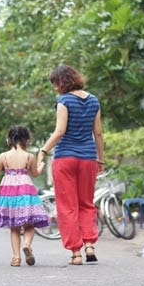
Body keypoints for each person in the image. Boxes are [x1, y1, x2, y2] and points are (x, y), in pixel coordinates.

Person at [37, 64, 104, 266]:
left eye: (55, 84)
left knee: (67, 206)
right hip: (88, 158)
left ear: (62, 82)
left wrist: (42, 151)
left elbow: (59, 131)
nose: (55, 88)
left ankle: (76, 252)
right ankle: (89, 244)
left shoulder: (63, 100)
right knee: (86, 203)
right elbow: (98, 133)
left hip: (65, 157)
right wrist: (100, 158)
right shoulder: (93, 100)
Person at [0, 126, 49, 267]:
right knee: (29, 223)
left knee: (14, 226)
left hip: (9, 191)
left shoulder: (4, 156)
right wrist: (41, 166)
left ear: (9, 140)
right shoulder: (30, 156)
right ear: (27, 141)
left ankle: (16, 257)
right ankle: (27, 244)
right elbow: (35, 173)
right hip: (26, 189)